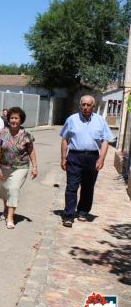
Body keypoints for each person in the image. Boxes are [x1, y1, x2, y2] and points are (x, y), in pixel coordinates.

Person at [60, 95, 112, 227]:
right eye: (83, 104)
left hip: (92, 157)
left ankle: (83, 211)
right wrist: (63, 157)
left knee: (88, 187)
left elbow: (105, 141)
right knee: (72, 186)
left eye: (88, 105)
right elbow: (65, 139)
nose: (85, 107)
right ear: (80, 105)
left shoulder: (100, 120)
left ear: (93, 107)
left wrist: (101, 158)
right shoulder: (72, 119)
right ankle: (69, 215)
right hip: (74, 156)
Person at [0, 107, 38, 229]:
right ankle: (5, 209)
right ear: (8, 119)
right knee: (4, 190)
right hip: (3, 166)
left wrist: (35, 167)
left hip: (20, 167)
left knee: (13, 189)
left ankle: (10, 218)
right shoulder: (2, 133)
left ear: (21, 120)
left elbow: (31, 151)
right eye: (11, 118)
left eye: (16, 118)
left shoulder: (27, 135)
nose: (14, 120)